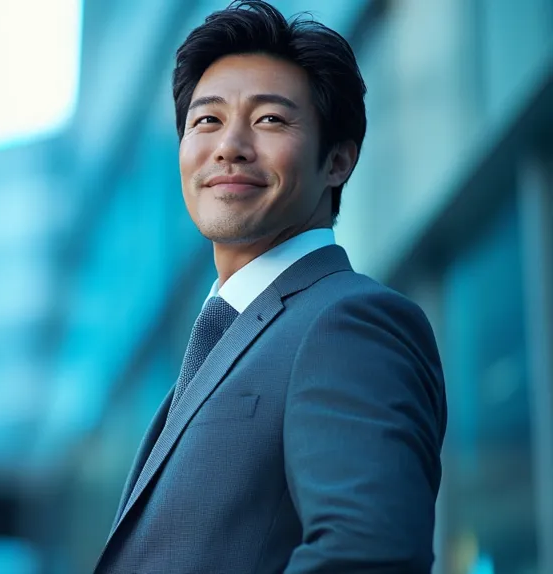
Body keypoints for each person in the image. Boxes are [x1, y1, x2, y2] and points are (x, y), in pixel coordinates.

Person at [92, 2, 447, 573]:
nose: (229, 145)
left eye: (270, 120)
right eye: (206, 121)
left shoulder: (350, 323)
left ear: (337, 161)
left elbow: (367, 557)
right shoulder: (220, 344)